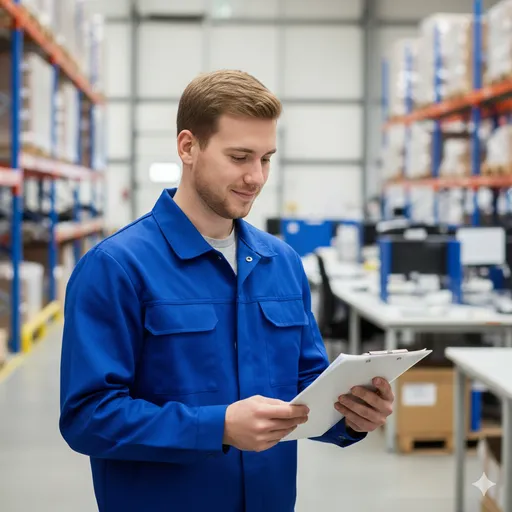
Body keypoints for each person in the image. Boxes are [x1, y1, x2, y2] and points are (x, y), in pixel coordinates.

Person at [59, 69, 394, 512]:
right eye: (239, 157)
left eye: (266, 158)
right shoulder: (116, 267)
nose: (256, 177)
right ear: (187, 147)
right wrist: (217, 427)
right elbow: (88, 418)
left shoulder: (282, 263)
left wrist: (351, 415)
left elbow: (305, 388)